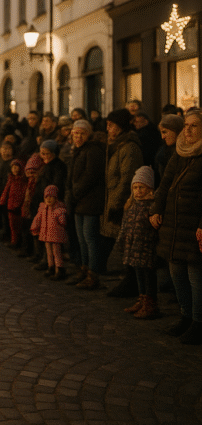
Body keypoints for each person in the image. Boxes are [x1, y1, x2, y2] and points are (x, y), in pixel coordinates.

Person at [150, 110, 202, 344]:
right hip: (173, 223)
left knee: (195, 276)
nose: (188, 130)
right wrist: (156, 209)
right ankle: (185, 316)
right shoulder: (179, 151)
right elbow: (165, 183)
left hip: (194, 224)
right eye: (186, 125)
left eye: (194, 126)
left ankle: (198, 323)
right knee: (177, 273)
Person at [102, 109, 144, 296]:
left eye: (111, 125)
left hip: (124, 204)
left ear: (120, 127)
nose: (108, 129)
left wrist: (116, 204)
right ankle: (129, 280)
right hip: (115, 200)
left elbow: (126, 179)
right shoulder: (116, 145)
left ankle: (132, 283)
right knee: (123, 244)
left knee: (127, 244)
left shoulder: (128, 147)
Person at [66, 120, 106, 288]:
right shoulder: (78, 150)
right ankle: (83, 269)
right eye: (75, 133)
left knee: (90, 238)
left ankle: (93, 274)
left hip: (90, 200)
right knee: (81, 239)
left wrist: (75, 192)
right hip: (79, 200)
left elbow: (90, 175)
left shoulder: (93, 150)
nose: (78, 136)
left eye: (81, 133)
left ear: (88, 134)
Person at [117, 166, 160, 319]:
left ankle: (150, 302)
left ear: (150, 188)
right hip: (133, 248)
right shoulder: (132, 206)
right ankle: (141, 299)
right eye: (135, 187)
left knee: (148, 276)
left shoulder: (152, 206)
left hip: (147, 248)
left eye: (141, 187)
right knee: (139, 275)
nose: (138, 191)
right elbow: (125, 226)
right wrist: (121, 242)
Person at [31, 185, 69, 280]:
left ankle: (59, 269)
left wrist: (61, 217)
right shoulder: (43, 208)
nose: (48, 199)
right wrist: (34, 227)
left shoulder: (58, 209)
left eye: (51, 197)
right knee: (49, 252)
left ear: (55, 198)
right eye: (46, 197)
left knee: (57, 253)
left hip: (56, 236)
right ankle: (51, 267)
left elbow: (63, 222)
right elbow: (37, 219)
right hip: (46, 235)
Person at [0, 159, 26, 249]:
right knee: (12, 225)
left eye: (16, 167)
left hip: (17, 207)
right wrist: (3, 200)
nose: (14, 169)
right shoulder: (11, 179)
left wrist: (18, 205)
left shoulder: (22, 181)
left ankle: (18, 242)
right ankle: (14, 241)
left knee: (19, 226)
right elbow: (6, 190)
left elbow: (21, 194)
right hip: (10, 205)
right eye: (13, 167)